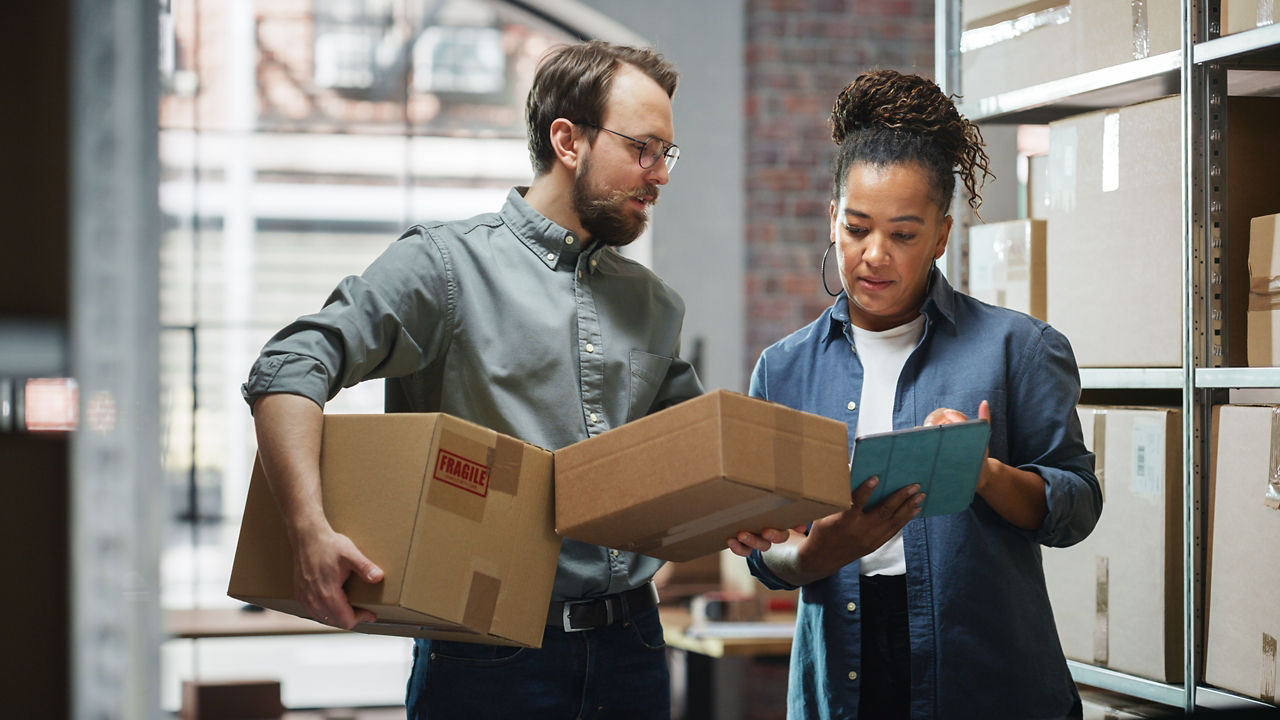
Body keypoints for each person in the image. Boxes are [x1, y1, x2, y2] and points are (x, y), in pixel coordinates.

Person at [241, 40, 702, 720]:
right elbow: (290, 366)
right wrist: (308, 530)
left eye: (667, 154)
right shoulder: (444, 267)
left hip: (632, 645)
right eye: (644, 148)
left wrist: (743, 513)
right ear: (568, 140)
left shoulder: (653, 303)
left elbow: (693, 453)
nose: (659, 174)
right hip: (487, 655)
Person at [727, 70, 1102, 719]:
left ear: (941, 236)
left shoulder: (1018, 349)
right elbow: (765, 559)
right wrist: (824, 549)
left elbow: (1076, 507)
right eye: (856, 228)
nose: (874, 255)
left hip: (985, 679)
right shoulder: (782, 371)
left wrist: (985, 474)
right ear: (833, 219)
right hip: (842, 679)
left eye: (902, 234)